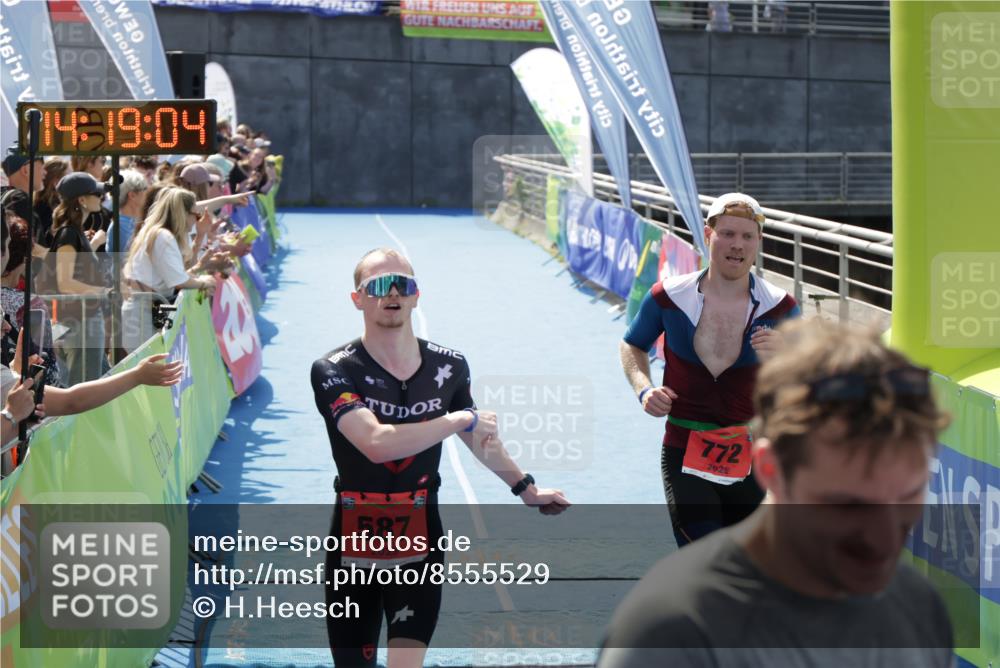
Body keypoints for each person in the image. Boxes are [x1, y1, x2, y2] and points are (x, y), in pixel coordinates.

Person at [598, 318, 954, 667]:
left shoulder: (917, 607)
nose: (881, 535)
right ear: (771, 469)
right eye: (847, 504)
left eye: (906, 497)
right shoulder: (670, 630)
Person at [311, 247, 570, 667]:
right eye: (378, 285)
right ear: (357, 298)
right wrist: (455, 420)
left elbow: (479, 436)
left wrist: (526, 488)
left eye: (403, 284)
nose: (392, 292)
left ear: (416, 296)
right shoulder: (334, 369)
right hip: (352, 536)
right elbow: (375, 444)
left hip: (420, 532)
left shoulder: (449, 365)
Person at [619, 193, 800, 547]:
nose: (738, 245)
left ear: (759, 242)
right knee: (703, 556)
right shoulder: (668, 297)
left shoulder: (781, 307)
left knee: (751, 564)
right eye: (728, 234)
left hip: (754, 457)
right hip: (685, 449)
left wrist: (791, 354)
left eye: (748, 236)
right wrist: (644, 388)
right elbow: (632, 344)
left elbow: (815, 377)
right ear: (707, 234)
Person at [121, 188, 217, 353]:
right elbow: (179, 281)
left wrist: (200, 236)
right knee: (149, 370)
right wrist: (204, 282)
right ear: (183, 213)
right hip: (144, 313)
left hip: (146, 309)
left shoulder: (159, 234)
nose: (196, 221)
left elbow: (182, 273)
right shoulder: (162, 237)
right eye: (196, 215)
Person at [48, 172, 111, 385]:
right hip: (80, 324)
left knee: (99, 385)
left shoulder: (75, 233)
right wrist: (100, 292)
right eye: (97, 194)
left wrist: (92, 246)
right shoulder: (69, 234)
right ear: (82, 200)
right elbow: (64, 283)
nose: (101, 197)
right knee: (85, 393)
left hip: (83, 323)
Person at [0, 143, 44, 244]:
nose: (45, 172)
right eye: (41, 166)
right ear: (26, 170)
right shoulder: (20, 199)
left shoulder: (5, 195)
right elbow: (31, 247)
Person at [105, 169, 149, 254]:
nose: (147, 191)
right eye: (144, 188)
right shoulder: (119, 226)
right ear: (132, 195)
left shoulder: (139, 220)